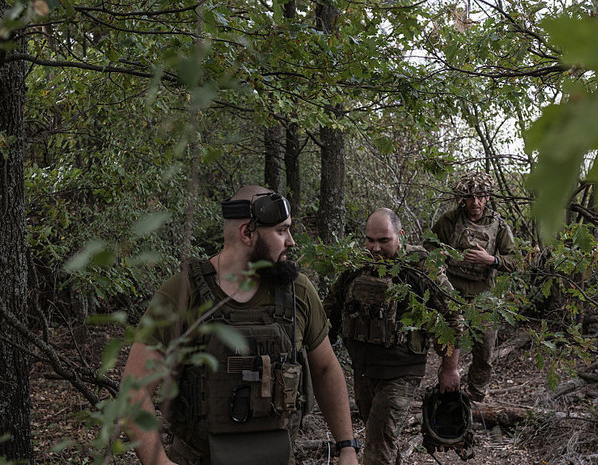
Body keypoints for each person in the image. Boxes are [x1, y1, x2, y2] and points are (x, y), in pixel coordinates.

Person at [121, 186, 359, 465]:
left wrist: (347, 447)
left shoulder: (298, 292)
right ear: (247, 233)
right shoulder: (182, 294)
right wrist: (158, 462)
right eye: (281, 231)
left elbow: (325, 367)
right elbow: (133, 391)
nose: (291, 241)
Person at [324, 208, 461, 465]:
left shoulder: (420, 267)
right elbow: (329, 311)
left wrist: (450, 367)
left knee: (377, 448)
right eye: (370, 240)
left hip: (401, 371)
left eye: (383, 240)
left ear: (400, 236)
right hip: (364, 370)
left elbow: (452, 317)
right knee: (383, 442)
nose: (375, 248)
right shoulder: (356, 265)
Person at [425, 171, 520, 402]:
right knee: (448, 349)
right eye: (469, 197)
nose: (475, 202)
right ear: (462, 198)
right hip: (451, 294)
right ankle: (446, 396)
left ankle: (476, 398)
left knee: (485, 353)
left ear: (487, 196)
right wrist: (444, 256)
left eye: (480, 196)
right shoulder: (449, 221)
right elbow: (428, 248)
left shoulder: (499, 225)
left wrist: (491, 260)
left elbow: (516, 261)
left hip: (484, 297)